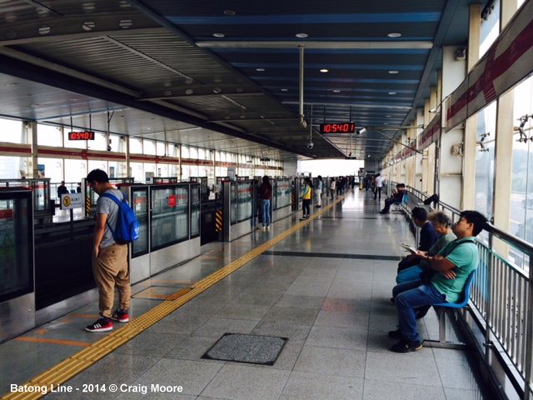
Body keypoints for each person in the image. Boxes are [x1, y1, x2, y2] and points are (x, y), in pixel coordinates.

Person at [389, 210, 487, 353]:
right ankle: (405, 328)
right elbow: (435, 258)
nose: (455, 222)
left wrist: (439, 263)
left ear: (470, 226)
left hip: (443, 291)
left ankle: (411, 340)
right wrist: (440, 264)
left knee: (403, 300)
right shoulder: (456, 242)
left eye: (460, 221)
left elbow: (436, 263)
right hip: (436, 281)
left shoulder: (466, 249)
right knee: (398, 290)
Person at [85, 169, 130, 333]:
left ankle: (105, 319)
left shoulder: (104, 199)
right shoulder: (120, 194)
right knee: (123, 280)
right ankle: (123, 312)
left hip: (108, 249)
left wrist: (96, 246)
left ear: (96, 183)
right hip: (122, 246)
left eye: (91, 185)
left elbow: (101, 225)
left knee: (106, 284)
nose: (92, 189)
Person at [396, 211, 456, 284]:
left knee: (401, 277)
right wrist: (422, 253)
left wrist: (423, 256)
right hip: (425, 264)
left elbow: (440, 261)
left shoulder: (447, 239)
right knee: (402, 271)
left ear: (443, 224)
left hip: (428, 267)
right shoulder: (443, 236)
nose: (434, 229)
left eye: (435, 225)